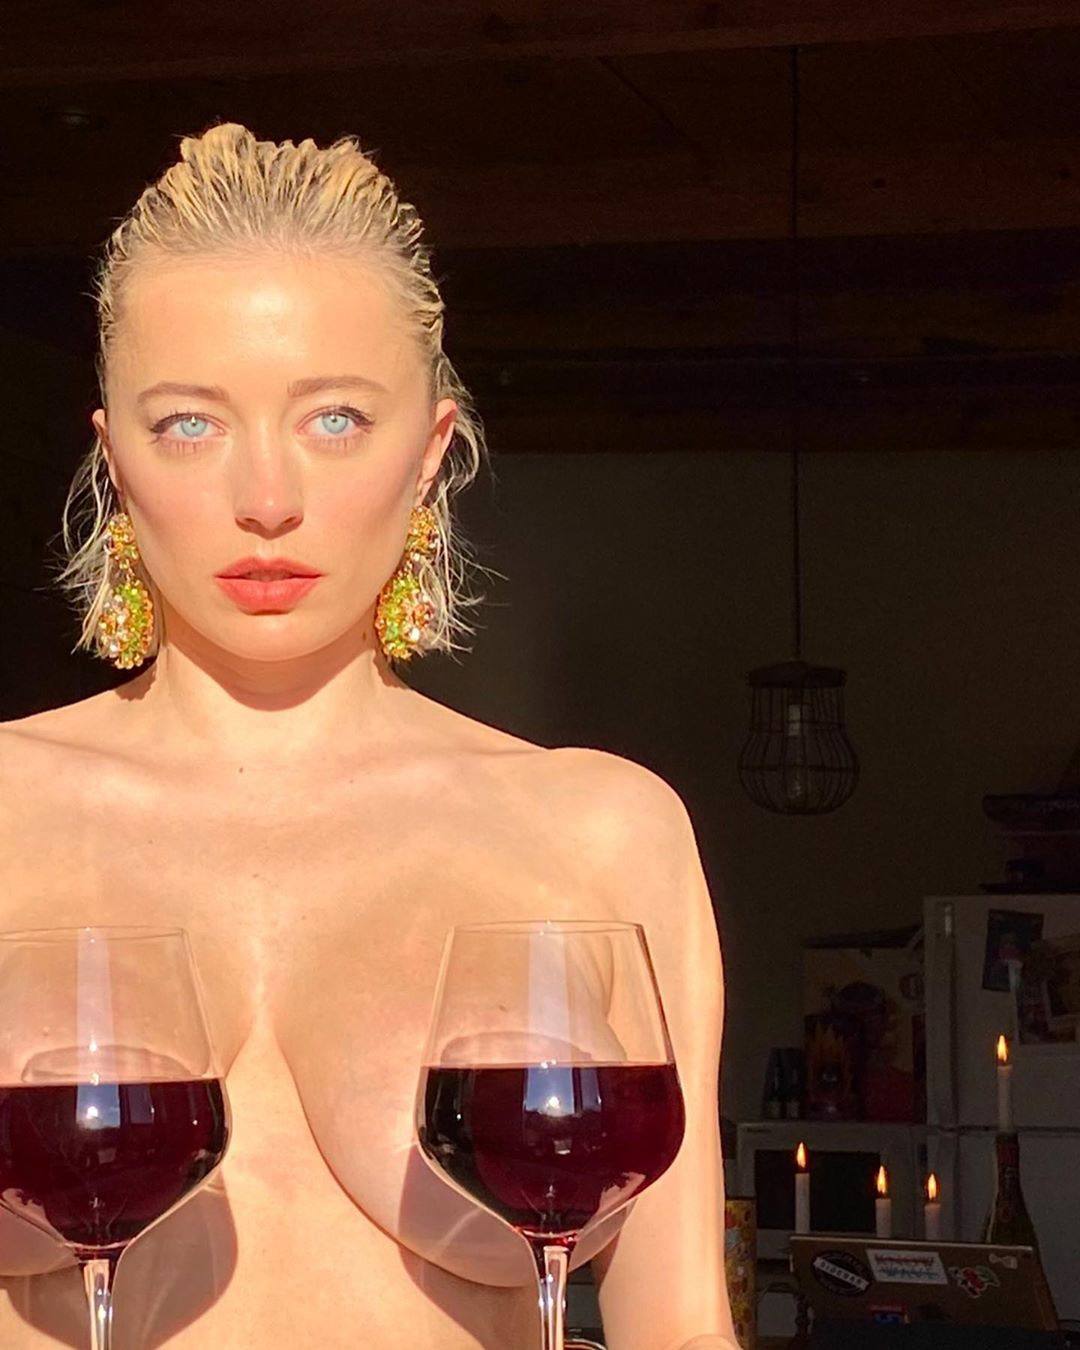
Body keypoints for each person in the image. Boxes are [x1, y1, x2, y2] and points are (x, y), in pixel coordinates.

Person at [0, 122, 737, 1349]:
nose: (268, 499)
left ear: (431, 452)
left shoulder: (601, 829)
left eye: (335, 419)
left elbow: (681, 1326)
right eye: (190, 424)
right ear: (115, 456)